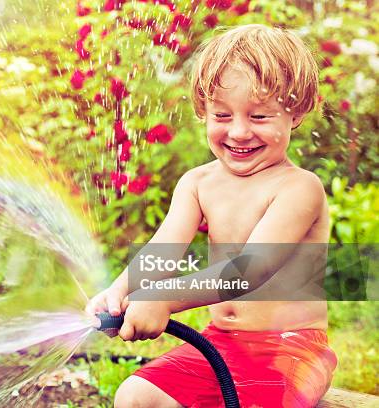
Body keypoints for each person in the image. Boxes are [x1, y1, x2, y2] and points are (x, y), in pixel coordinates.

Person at [86, 24, 338, 408]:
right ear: (203, 111)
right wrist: (119, 293)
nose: (238, 131)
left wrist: (163, 299)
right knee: (135, 396)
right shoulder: (198, 183)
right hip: (221, 340)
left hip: (290, 348)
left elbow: (249, 270)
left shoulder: (298, 188)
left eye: (259, 117)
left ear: (296, 113)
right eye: (222, 114)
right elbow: (163, 250)